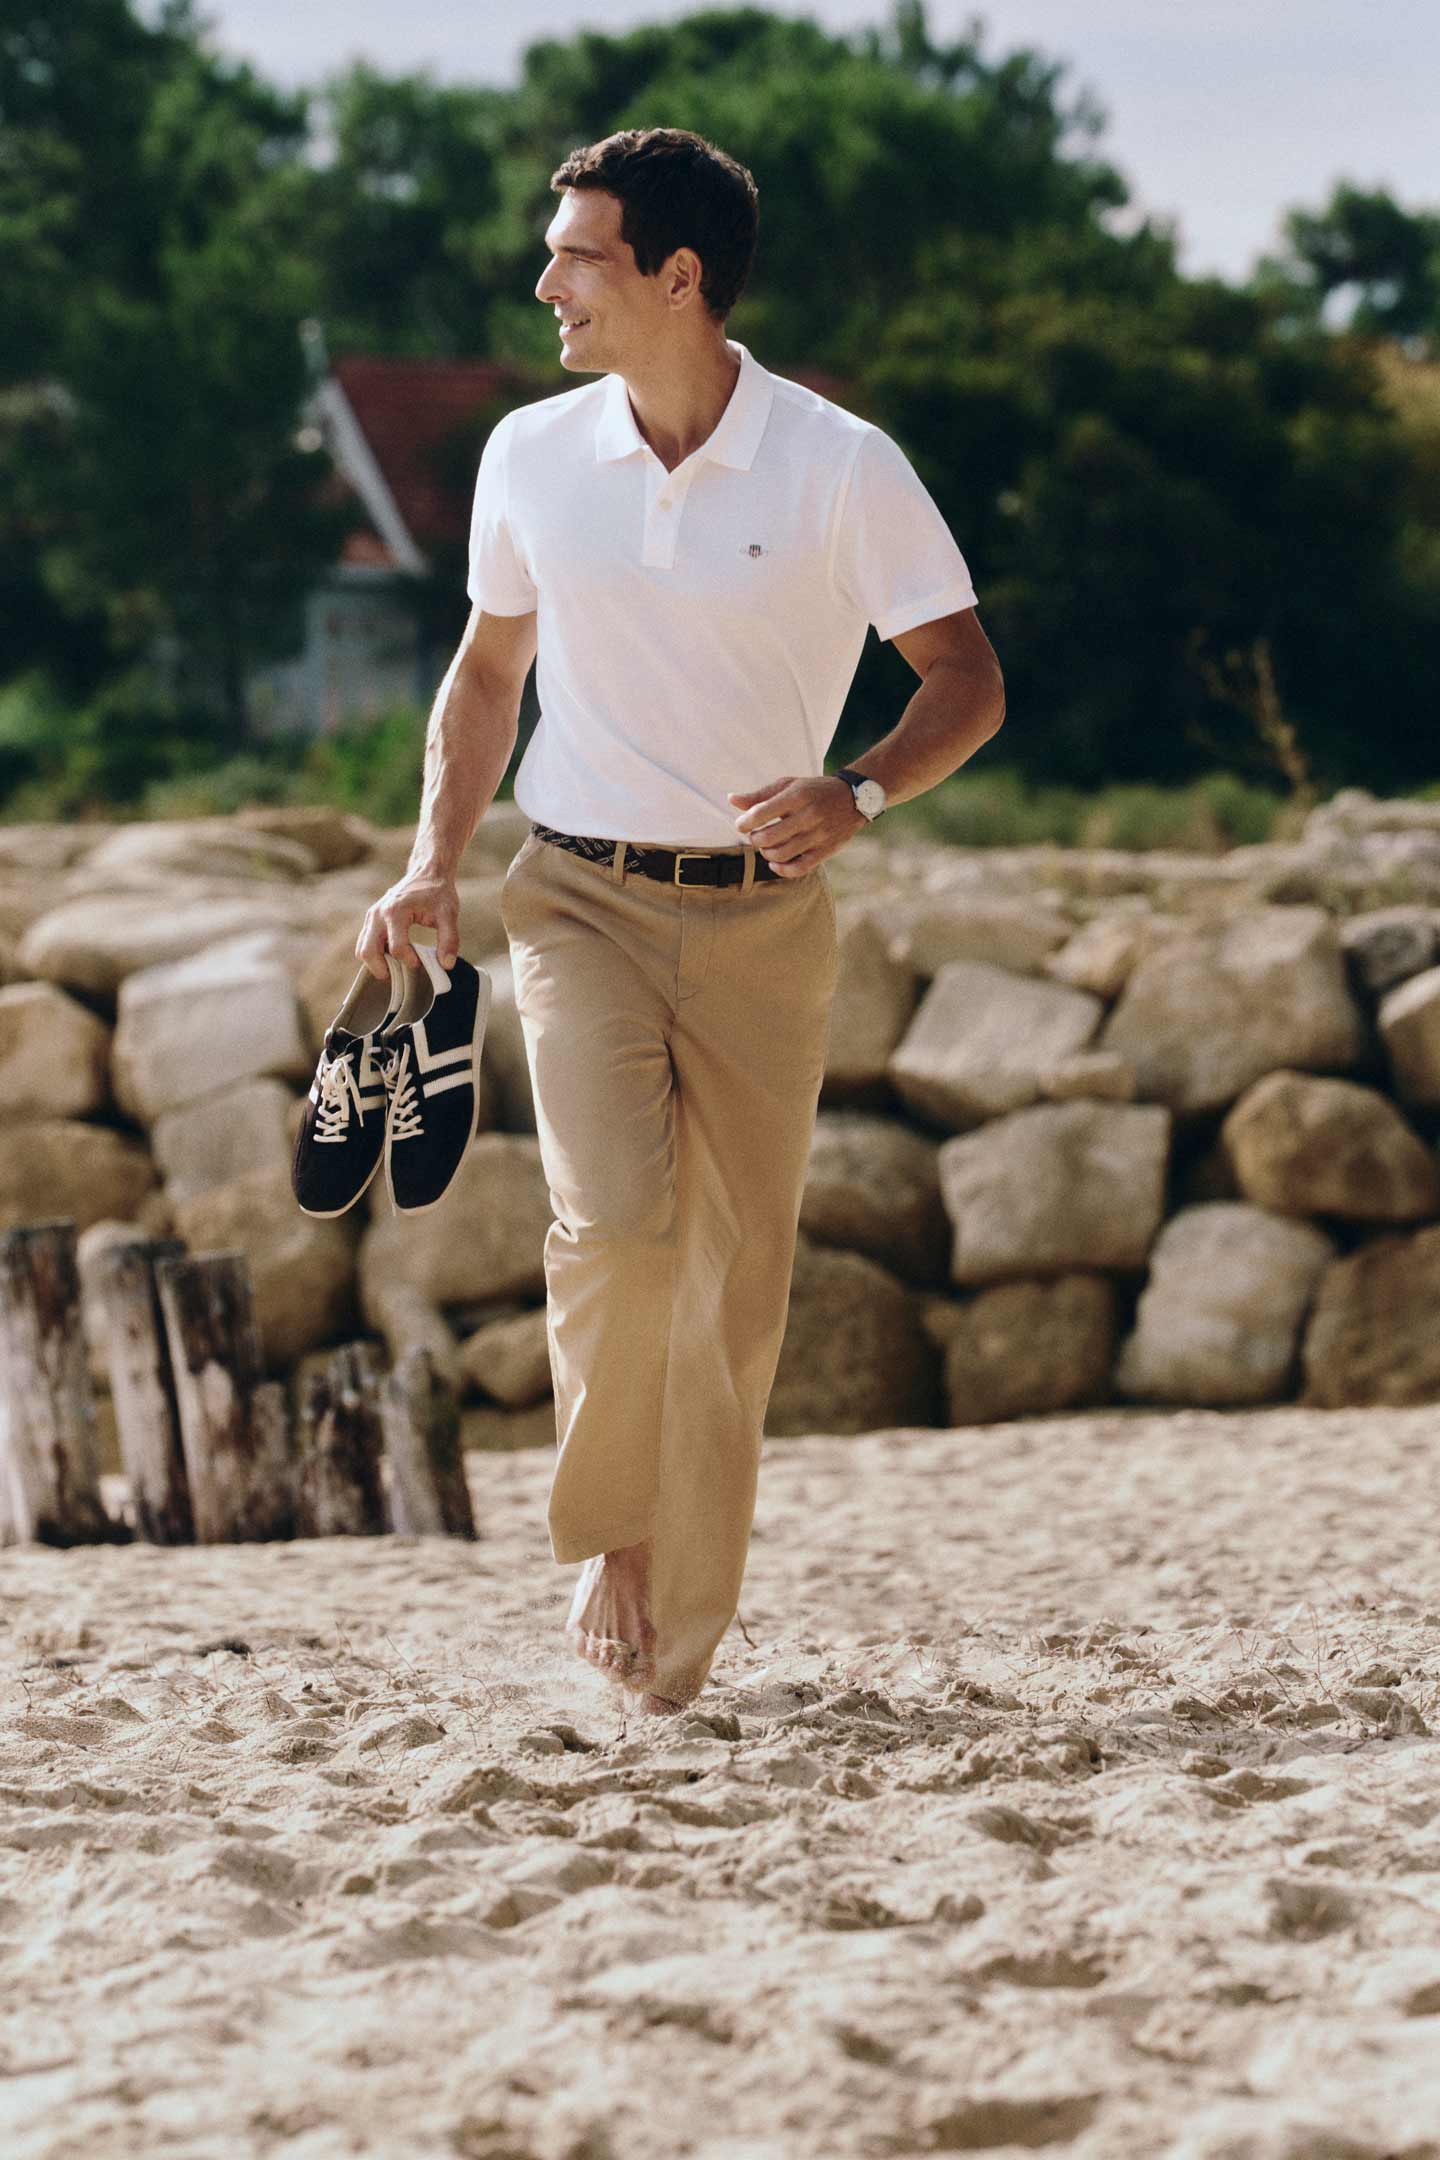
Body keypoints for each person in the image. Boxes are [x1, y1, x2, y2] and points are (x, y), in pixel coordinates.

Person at [357, 126, 1005, 1714]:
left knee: (734, 1285)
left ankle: (680, 1656)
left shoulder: (841, 465)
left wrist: (859, 793)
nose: (546, 282)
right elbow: (486, 673)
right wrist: (432, 854)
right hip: (572, 895)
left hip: (764, 926)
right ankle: (612, 1544)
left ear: (679, 275)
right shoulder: (527, 454)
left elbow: (968, 680)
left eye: (579, 255)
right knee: (616, 1229)